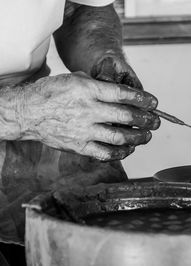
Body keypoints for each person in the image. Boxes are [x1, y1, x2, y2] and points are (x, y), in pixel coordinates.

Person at [0, 1, 160, 265]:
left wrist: (103, 56)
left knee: (104, 240)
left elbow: (80, 8)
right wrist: (20, 112)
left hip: (40, 121)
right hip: (28, 112)